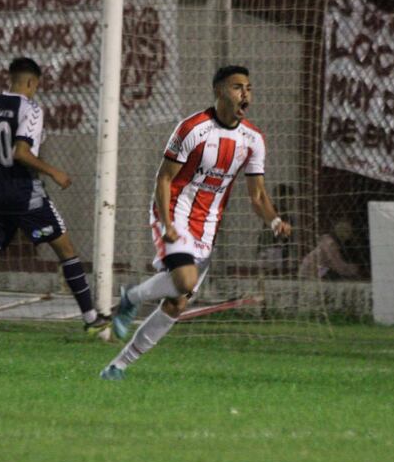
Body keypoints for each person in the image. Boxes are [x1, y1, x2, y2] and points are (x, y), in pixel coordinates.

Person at [99, 65, 292, 379]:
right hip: (174, 211)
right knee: (185, 281)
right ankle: (131, 297)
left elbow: (257, 196)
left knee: (176, 305)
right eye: (237, 87)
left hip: (207, 226)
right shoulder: (192, 129)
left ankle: (116, 366)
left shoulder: (253, 140)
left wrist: (274, 221)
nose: (245, 94)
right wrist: (166, 222)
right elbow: (164, 178)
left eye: (249, 88)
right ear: (219, 92)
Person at [0, 56, 110, 342]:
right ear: (30, 82)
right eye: (36, 85)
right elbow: (21, 152)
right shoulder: (31, 109)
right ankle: (91, 319)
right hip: (24, 195)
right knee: (66, 249)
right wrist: (55, 173)